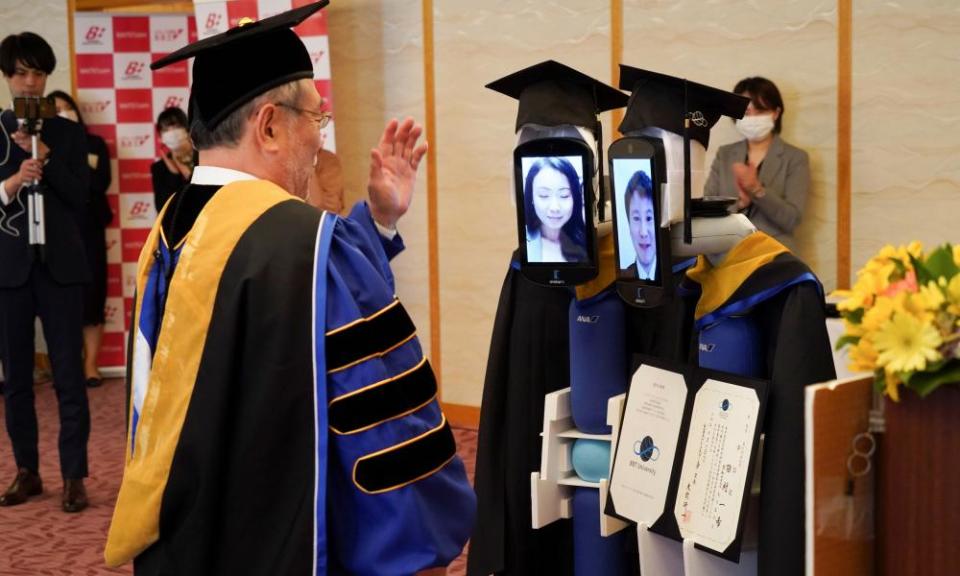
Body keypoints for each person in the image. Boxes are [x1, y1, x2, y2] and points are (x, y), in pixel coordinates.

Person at [104, 4, 474, 574]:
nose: (319, 142)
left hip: (191, 536)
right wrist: (421, 547)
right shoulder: (303, 242)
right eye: (316, 119)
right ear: (271, 125)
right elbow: (381, 417)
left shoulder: (171, 229)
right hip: (286, 544)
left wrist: (377, 219)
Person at [0, 32, 91, 512]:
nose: (30, 82)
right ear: (7, 77)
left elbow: (82, 199)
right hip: (10, 269)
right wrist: (13, 181)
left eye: (38, 73)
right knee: (16, 377)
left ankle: (74, 475)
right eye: (21, 73)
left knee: (69, 376)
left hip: (61, 268)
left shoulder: (70, 133)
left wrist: (48, 159)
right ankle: (27, 471)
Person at [48, 89, 113, 388]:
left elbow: (99, 183)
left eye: (67, 107)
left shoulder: (95, 144)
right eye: (56, 109)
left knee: (94, 293)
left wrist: (71, 165)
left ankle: (91, 365)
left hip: (91, 227)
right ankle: (68, 365)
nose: (63, 112)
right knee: (63, 299)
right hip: (59, 230)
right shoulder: (42, 147)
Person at [703, 76, 810, 252]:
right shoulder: (725, 154)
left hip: (775, 257)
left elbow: (792, 220)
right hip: (727, 254)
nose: (752, 118)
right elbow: (707, 209)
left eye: (760, 111)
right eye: (745, 113)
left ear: (776, 113)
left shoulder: (795, 158)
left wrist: (758, 191)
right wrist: (739, 204)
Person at [524, 156, 587, 263]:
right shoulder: (525, 244)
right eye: (544, 195)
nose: (555, 208)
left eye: (564, 195)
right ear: (531, 198)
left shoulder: (586, 240)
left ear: (575, 198)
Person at [150, 106, 193, 212]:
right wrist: (174, 175)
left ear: (187, 129)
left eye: (176, 127)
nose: (172, 133)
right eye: (166, 130)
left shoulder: (205, 157)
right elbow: (161, 208)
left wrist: (189, 176)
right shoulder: (159, 168)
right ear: (161, 137)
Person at [621, 169, 656, 280]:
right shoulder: (624, 279)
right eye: (636, 218)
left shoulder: (680, 276)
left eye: (649, 218)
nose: (643, 232)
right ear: (629, 225)